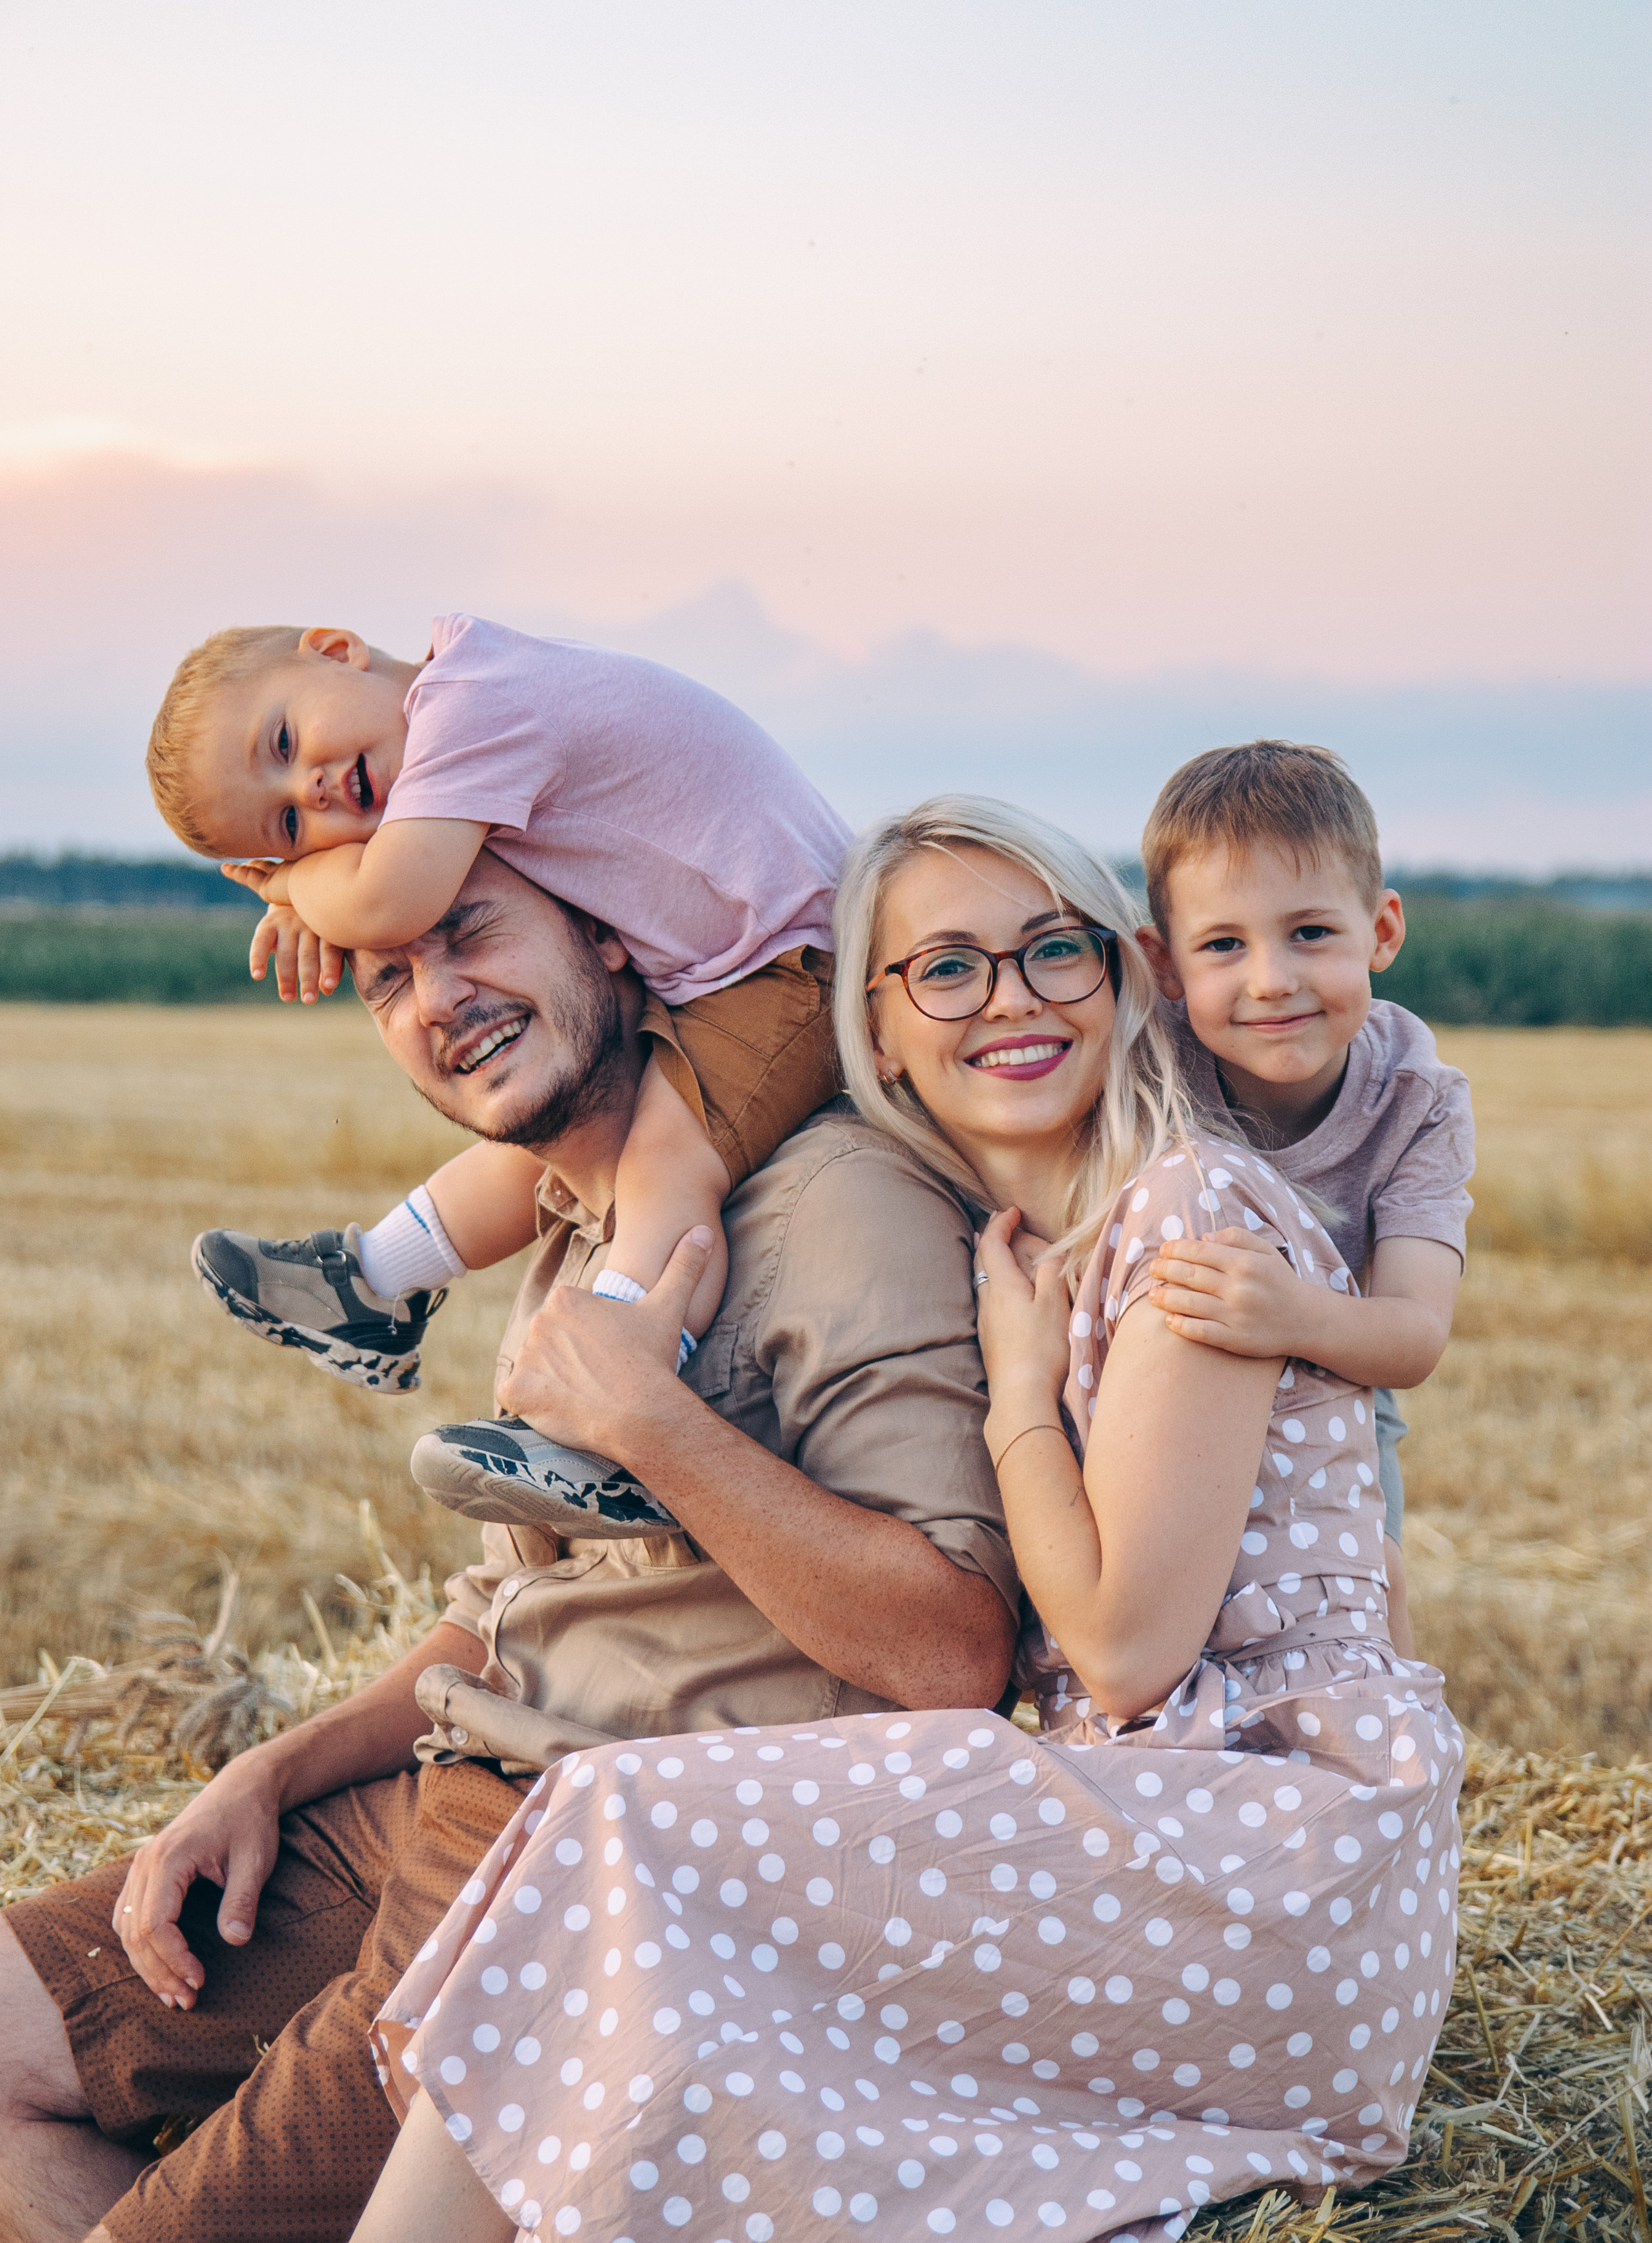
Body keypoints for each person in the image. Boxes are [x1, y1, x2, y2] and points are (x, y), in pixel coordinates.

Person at [349, 797, 1465, 2243]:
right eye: (944, 968)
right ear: (873, 1033)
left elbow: (1123, 1654)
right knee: (660, 1963)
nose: (1006, 999)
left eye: (1047, 952)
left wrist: (1013, 1389)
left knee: (625, 1820)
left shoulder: (1185, 1216)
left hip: (1272, 1862)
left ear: (1120, 977)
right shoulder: (1028, 1239)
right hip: (1159, 1837)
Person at [0, 850, 1016, 2243]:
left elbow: (953, 1646)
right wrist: (275, 1766)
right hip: (441, 1798)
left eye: (470, 933)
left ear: (607, 935)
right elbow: (509, 1602)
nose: (438, 1000)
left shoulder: (829, 1202)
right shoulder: (567, 1225)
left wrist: (648, 1420)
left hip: (590, 1890)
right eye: (387, 982)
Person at [145, 614, 849, 1524]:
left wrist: (292, 884)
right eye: (289, 823)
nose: (314, 789)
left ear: (335, 647)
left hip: (800, 960)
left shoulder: (474, 705)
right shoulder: (451, 727)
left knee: (663, 1163)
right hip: (729, 959)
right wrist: (334, 885)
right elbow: (378, 882)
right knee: (567, 1131)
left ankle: (614, 1406)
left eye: (283, 741)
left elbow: (391, 896)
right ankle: (369, 1281)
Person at [1130, 741, 1475, 1660]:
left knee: (1368, 1583)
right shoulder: (1147, 1061)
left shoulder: (1418, 1098)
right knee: (1180, 1609)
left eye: (1310, 933)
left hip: (1335, 1367)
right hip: (1158, 1371)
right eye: (1223, 945)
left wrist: (1289, 1316)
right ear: (1164, 965)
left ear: (1384, 930)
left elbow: (1412, 1335)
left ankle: (1393, 1777)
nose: (1271, 978)